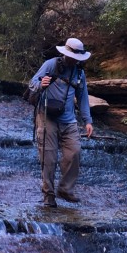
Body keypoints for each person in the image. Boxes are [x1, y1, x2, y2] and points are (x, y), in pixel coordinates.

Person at [28, 37, 94, 207]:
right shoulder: (51, 64)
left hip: (69, 120)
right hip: (46, 117)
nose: (75, 61)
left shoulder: (79, 73)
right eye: (74, 58)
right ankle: (48, 195)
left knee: (75, 152)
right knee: (48, 159)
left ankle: (65, 189)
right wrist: (41, 83)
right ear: (66, 55)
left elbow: (83, 97)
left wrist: (88, 121)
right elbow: (32, 83)